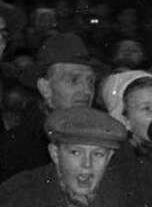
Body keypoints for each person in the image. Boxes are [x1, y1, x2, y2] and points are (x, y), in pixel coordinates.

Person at [1, 32, 101, 180]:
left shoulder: (102, 137)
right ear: (45, 88)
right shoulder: (17, 148)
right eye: (74, 80)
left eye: (90, 82)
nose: (87, 91)